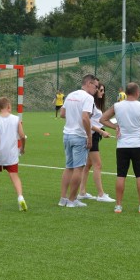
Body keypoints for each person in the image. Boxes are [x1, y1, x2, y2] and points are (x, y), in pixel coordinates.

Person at [100, 82, 140, 214]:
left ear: (126, 93)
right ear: (137, 93)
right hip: (139, 144)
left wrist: (115, 127)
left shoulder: (117, 106)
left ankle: (118, 205)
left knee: (121, 175)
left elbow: (103, 119)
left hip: (122, 145)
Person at [58, 74, 98, 208]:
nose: (96, 89)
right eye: (95, 86)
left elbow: (62, 114)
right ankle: (72, 200)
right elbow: (85, 118)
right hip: (79, 136)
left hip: (67, 134)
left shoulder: (70, 95)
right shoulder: (88, 97)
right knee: (79, 168)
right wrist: (89, 136)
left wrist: (72, 118)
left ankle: (63, 198)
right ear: (89, 83)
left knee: (68, 167)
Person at [0, 97, 28, 211]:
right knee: (14, 176)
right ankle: (20, 197)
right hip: (11, 153)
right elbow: (22, 135)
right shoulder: (16, 119)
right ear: (8, 107)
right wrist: (22, 148)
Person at [77, 84, 115, 203]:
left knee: (88, 165)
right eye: (101, 90)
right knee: (97, 165)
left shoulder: (95, 104)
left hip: (95, 135)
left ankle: (82, 192)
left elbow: (96, 122)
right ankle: (100, 194)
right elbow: (86, 122)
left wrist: (102, 130)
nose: (103, 93)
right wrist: (101, 132)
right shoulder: (91, 103)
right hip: (91, 136)